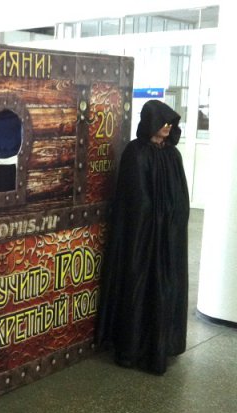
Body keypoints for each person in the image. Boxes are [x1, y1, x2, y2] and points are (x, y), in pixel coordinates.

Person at [96, 99, 189, 375]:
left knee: (165, 287)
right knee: (139, 287)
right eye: (163, 122)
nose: (167, 127)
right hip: (142, 239)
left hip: (167, 238)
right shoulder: (135, 153)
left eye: (170, 123)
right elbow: (135, 199)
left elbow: (181, 196)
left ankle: (163, 344)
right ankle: (133, 346)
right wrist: (154, 220)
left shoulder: (173, 155)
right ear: (151, 121)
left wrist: (172, 220)